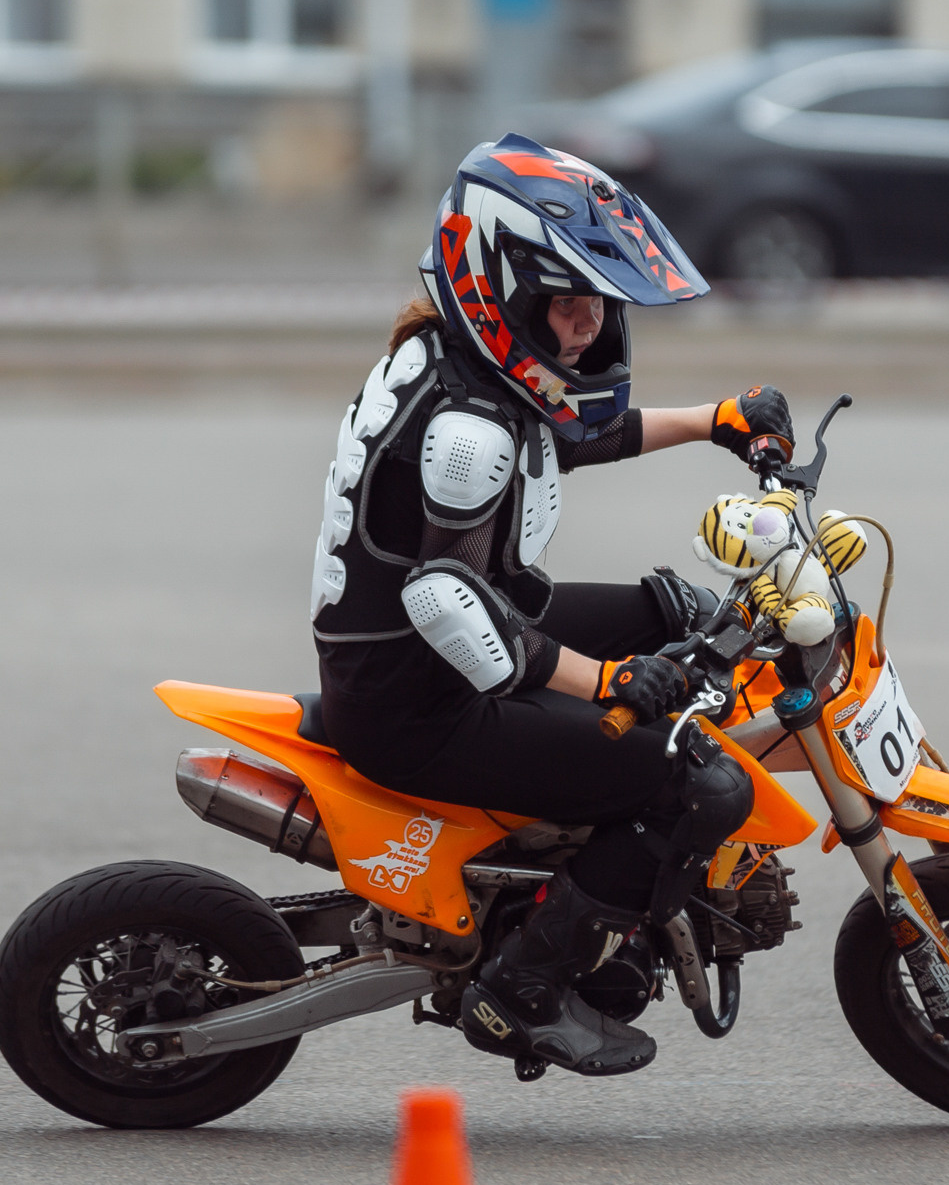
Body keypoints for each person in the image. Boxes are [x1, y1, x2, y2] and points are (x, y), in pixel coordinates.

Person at [311, 134, 794, 1077]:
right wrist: (604, 679)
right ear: (500, 292)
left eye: (596, 307)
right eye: (563, 305)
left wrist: (716, 420)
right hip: (421, 693)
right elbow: (446, 601)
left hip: (441, 642)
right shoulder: (467, 431)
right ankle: (523, 987)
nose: (583, 328)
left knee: (678, 611)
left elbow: (573, 434)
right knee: (698, 784)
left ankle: (593, 877)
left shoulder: (467, 362)